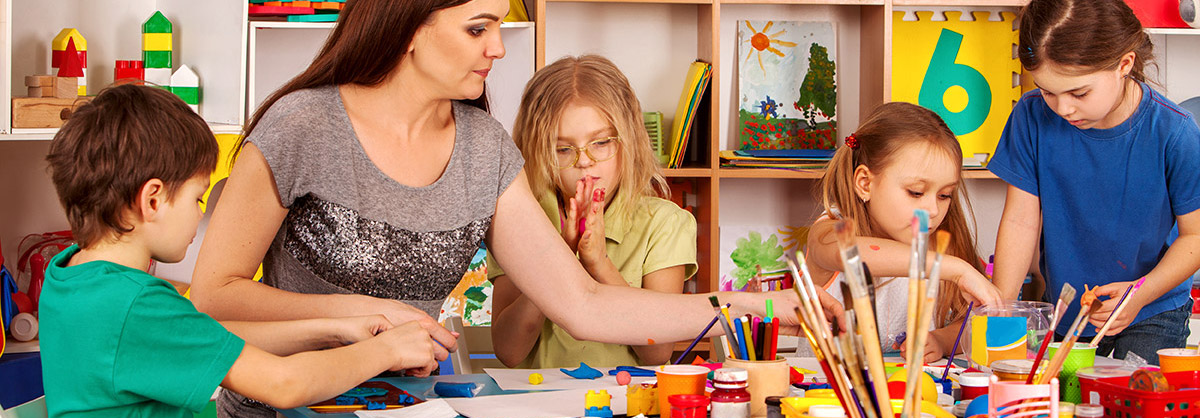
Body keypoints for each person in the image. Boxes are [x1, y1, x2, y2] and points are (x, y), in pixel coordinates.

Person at [189, 0, 813, 414]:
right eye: (477, 28)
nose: (499, 48)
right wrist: (362, 314)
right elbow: (214, 296)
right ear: (411, 26)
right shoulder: (301, 127)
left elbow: (585, 304)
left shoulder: (484, 148)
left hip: (415, 408)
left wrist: (768, 305)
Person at [38, 84, 442, 418]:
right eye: (197, 199)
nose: (199, 217)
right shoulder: (135, 304)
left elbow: (203, 337)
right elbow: (284, 385)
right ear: (153, 200)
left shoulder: (72, 277)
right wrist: (386, 350)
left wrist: (332, 330)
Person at [990, 0, 1200, 364]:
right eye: (1047, 91)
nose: (1063, 108)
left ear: (1124, 65)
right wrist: (1001, 310)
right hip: (1067, 308)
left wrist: (1138, 295)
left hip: (1152, 307)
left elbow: (1195, 235)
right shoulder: (1030, 115)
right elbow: (1020, 220)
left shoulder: (1175, 131)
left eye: (1079, 93)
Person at [489, 55, 697, 368]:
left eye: (600, 143)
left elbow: (657, 353)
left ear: (629, 140)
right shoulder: (517, 218)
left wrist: (598, 263)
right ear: (538, 150)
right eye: (563, 149)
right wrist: (558, 256)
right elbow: (509, 352)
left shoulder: (665, 223)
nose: (584, 161)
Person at [806, 102, 1004, 362]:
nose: (933, 209)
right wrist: (956, 269)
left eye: (945, 195)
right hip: (823, 396)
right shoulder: (828, 231)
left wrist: (942, 340)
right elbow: (853, 254)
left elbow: (966, 322)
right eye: (916, 192)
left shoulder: (942, 243)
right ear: (865, 183)